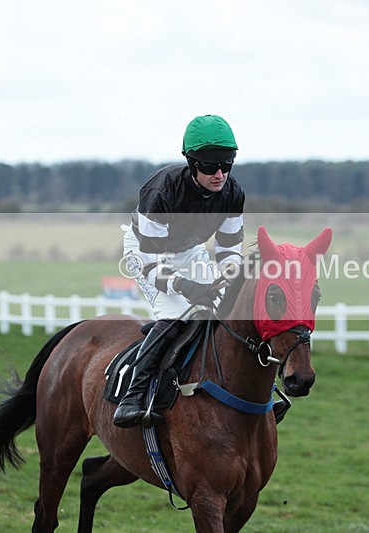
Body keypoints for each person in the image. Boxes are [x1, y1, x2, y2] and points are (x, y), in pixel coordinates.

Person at [113, 115, 245, 428]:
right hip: (146, 251)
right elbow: (152, 261)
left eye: (226, 166)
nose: (219, 174)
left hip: (188, 251)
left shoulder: (233, 194)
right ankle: (134, 394)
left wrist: (230, 279)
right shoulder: (161, 191)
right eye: (210, 167)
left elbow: (229, 251)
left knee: (222, 310)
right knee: (175, 314)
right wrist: (185, 286)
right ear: (191, 163)